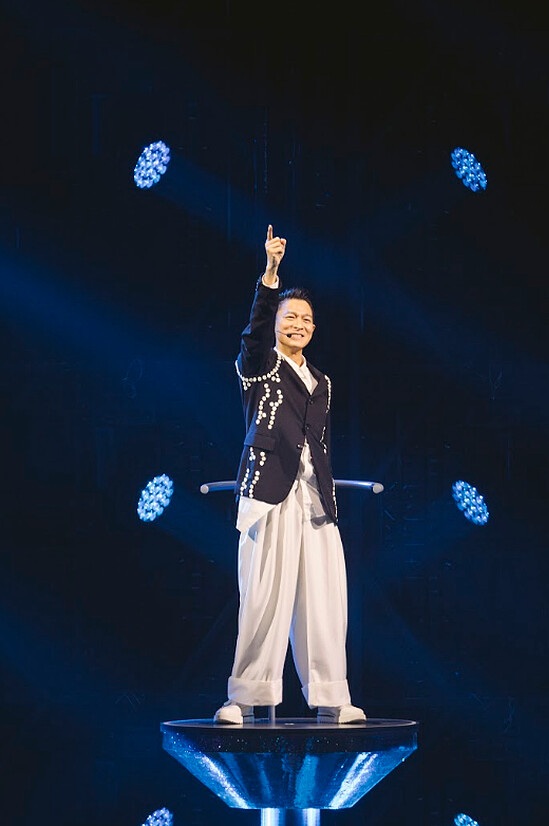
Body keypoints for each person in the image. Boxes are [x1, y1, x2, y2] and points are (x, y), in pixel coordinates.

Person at [213, 225, 366, 726]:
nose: (298, 325)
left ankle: (332, 696)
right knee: (263, 598)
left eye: (305, 319)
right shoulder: (259, 366)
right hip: (268, 493)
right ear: (276, 324)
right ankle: (244, 697)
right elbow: (254, 334)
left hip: (315, 501)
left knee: (325, 600)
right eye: (289, 317)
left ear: (314, 329)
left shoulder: (322, 382)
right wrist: (270, 276)